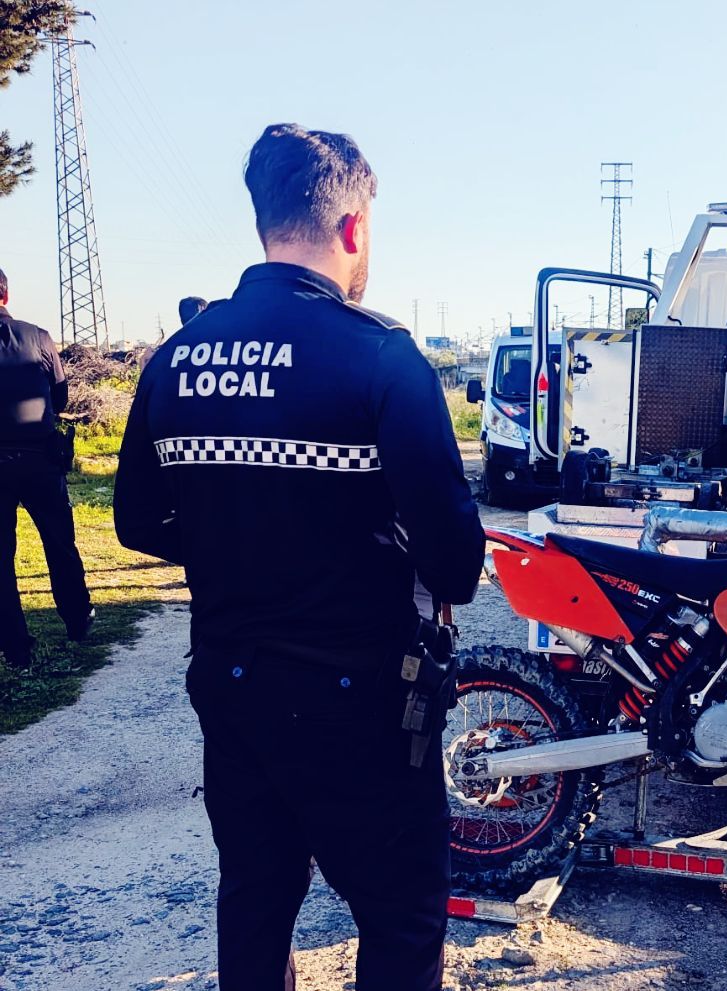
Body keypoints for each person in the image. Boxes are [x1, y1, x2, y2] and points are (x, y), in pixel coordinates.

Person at [113, 123, 484, 990]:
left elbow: (135, 519)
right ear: (353, 226)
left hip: (233, 688)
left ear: (263, 221)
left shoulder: (177, 359)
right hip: (363, 705)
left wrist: (230, 543)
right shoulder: (381, 356)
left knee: (255, 902)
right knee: (400, 918)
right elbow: (457, 562)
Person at [0, 267, 94, 670]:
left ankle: (15, 645)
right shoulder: (37, 336)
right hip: (40, 456)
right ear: (6, 294)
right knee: (59, 542)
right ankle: (77, 620)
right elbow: (61, 395)